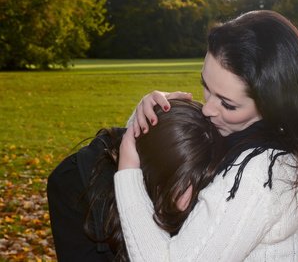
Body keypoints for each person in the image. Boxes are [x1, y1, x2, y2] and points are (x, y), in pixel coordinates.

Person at [115, 10, 298, 261]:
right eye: (206, 88)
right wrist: (147, 117)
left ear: (272, 105)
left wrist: (127, 171)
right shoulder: (265, 144)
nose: (207, 109)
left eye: (228, 105)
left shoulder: (260, 175)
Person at [47, 99, 225, 261]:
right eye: (175, 185)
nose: (184, 204)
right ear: (142, 169)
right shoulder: (73, 184)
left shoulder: (222, 176)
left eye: (199, 186)